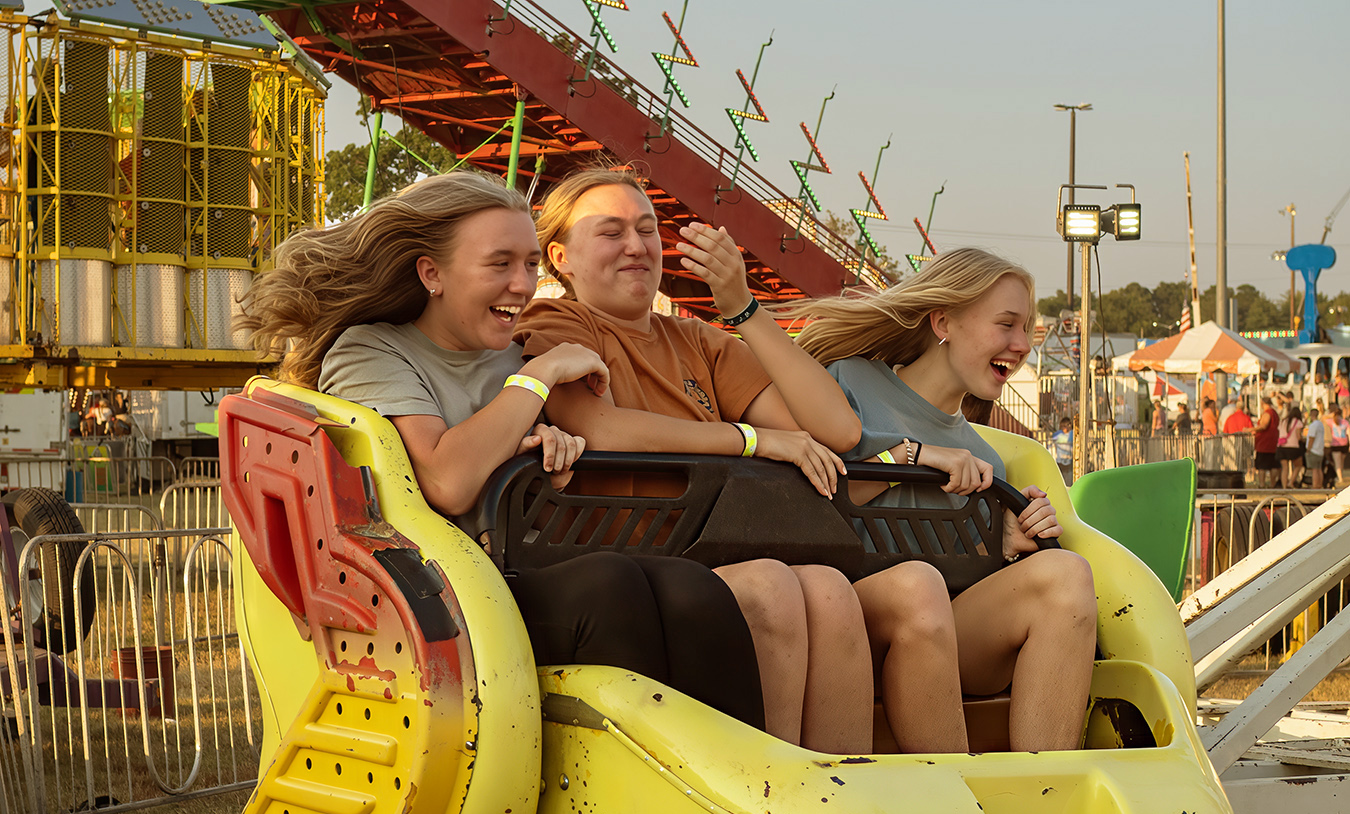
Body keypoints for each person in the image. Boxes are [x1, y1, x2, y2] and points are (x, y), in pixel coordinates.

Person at [235, 170, 766, 730]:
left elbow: (525, 463)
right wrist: (536, 381)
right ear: (432, 273)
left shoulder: (509, 356)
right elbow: (446, 478)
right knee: (608, 586)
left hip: (514, 566)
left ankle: (742, 783)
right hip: (437, 597)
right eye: (500, 264)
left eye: (532, 264)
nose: (523, 285)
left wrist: (546, 452)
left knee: (694, 589)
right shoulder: (372, 351)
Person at [517, 168, 992, 754]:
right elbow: (603, 428)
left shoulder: (700, 341)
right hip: (636, 561)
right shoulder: (557, 323)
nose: (638, 246)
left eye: (647, 229)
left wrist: (742, 307)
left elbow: (835, 429)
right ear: (561, 257)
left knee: (827, 588)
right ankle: (776, 798)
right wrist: (750, 440)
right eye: (611, 232)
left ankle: (844, 795)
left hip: (715, 544)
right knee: (771, 585)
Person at [784, 247, 1098, 754]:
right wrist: (914, 458)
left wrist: (1008, 543)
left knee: (1068, 577)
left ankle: (1045, 794)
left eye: (1027, 330)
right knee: (917, 586)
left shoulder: (985, 456)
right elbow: (818, 495)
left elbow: (960, 573)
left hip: (939, 631)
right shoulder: (850, 381)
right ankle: (955, 793)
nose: (1022, 345)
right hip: (845, 614)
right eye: (1007, 324)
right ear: (943, 321)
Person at [1253, 395, 1280, 488]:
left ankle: (1262, 484)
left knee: (1262, 467)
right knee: (1273, 465)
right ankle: (1272, 484)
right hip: (1273, 442)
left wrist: (1250, 429)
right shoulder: (1275, 413)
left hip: (1264, 443)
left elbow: (1263, 426)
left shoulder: (1268, 413)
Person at [1278, 404, 1304, 489]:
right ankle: (1291, 482)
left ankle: (1284, 486)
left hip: (1281, 446)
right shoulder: (1298, 422)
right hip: (1293, 446)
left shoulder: (1283, 421)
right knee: (1298, 465)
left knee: (1284, 468)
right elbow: (1298, 436)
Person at [1305, 406, 1326, 489]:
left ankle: (1315, 485)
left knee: (1314, 469)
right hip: (1320, 449)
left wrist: (1308, 449)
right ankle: (1319, 484)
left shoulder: (1313, 425)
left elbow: (1311, 438)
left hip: (1314, 449)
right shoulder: (1320, 424)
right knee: (1319, 469)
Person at [1327, 405, 1348, 485]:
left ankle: (1340, 478)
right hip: (1344, 444)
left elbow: (1322, 418)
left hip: (1335, 444)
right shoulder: (1345, 422)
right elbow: (1348, 433)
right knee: (1341, 462)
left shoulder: (1331, 421)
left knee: (1337, 463)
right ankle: (1340, 476)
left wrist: (1330, 415)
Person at [1051, 416, 1073, 484]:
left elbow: (1070, 439)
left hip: (1069, 459)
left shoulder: (1072, 433)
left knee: (1069, 481)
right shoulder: (1059, 433)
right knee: (1061, 480)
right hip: (1060, 460)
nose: (1065, 428)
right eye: (1063, 426)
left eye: (1066, 426)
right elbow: (1054, 438)